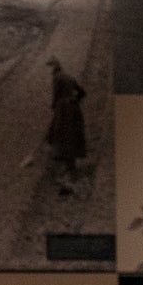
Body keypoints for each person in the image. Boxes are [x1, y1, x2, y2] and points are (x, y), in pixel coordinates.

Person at [44, 57, 88, 196]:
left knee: (60, 134)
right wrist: (75, 100)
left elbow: (56, 96)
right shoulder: (69, 77)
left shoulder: (57, 78)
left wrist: (54, 108)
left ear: (54, 69)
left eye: (50, 68)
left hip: (63, 110)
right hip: (74, 109)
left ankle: (66, 168)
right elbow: (82, 92)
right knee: (72, 135)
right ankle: (70, 165)